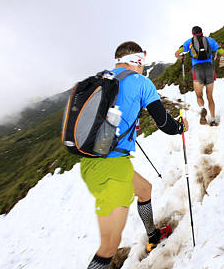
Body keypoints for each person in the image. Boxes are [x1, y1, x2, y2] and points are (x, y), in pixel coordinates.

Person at [81, 41, 189, 269]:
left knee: (144, 189)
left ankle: (152, 235)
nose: (144, 67)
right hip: (113, 169)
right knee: (109, 246)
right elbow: (165, 124)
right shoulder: (142, 83)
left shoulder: (102, 78)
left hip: (92, 162)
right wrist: (181, 127)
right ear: (137, 60)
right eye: (143, 63)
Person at [175, 26, 224, 126]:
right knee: (210, 96)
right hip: (209, 69)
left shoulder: (189, 42)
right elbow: (223, 52)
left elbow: (177, 53)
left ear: (193, 34)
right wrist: (222, 55)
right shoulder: (209, 40)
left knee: (199, 95)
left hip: (197, 70)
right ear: (202, 32)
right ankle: (212, 119)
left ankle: (202, 109)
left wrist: (180, 57)